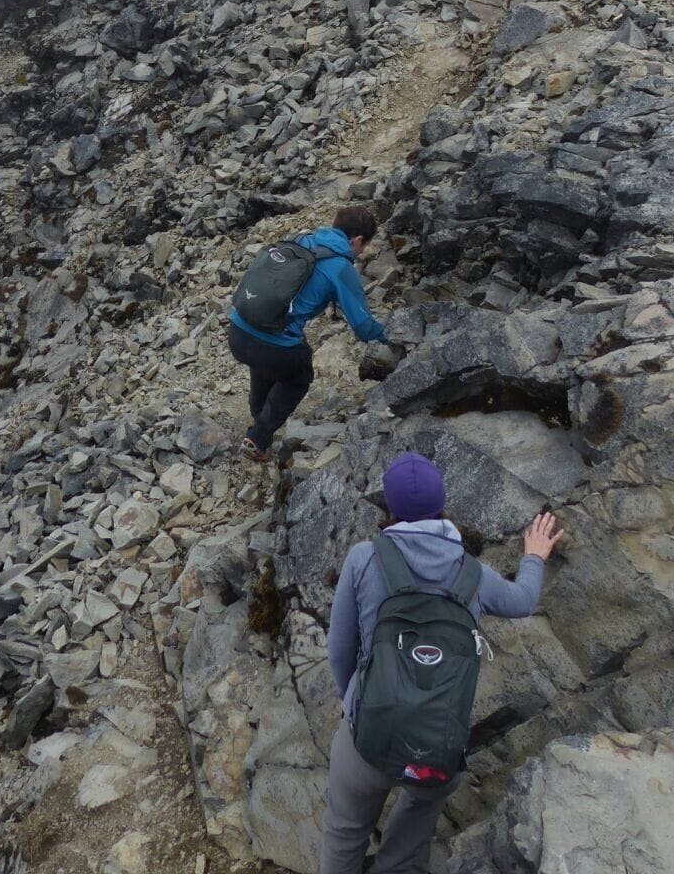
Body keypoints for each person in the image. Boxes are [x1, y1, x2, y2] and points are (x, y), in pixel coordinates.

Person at [322, 452, 564, 874]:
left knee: (344, 832)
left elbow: (339, 648)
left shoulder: (364, 558)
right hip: (436, 749)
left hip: (365, 740)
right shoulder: (472, 574)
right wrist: (535, 557)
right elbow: (523, 601)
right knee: (419, 813)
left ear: (391, 508)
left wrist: (355, 706)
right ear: (442, 504)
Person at [228, 206, 386, 463]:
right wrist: (394, 337)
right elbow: (363, 327)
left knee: (275, 349)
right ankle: (258, 438)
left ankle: (259, 413)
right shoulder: (340, 266)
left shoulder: (301, 239)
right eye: (364, 246)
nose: (361, 252)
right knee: (298, 375)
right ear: (357, 240)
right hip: (268, 346)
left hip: (237, 331)